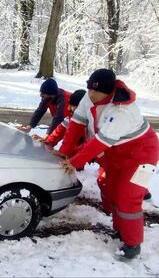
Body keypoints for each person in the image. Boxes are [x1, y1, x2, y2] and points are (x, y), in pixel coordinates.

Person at [59, 68, 159, 260]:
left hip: (142, 155)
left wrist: (75, 161)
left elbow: (99, 142)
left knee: (126, 196)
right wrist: (64, 153)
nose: (91, 94)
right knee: (110, 189)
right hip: (117, 153)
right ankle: (120, 230)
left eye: (97, 91)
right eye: (89, 88)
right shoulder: (88, 98)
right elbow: (75, 126)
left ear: (109, 91)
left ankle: (132, 243)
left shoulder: (123, 109)